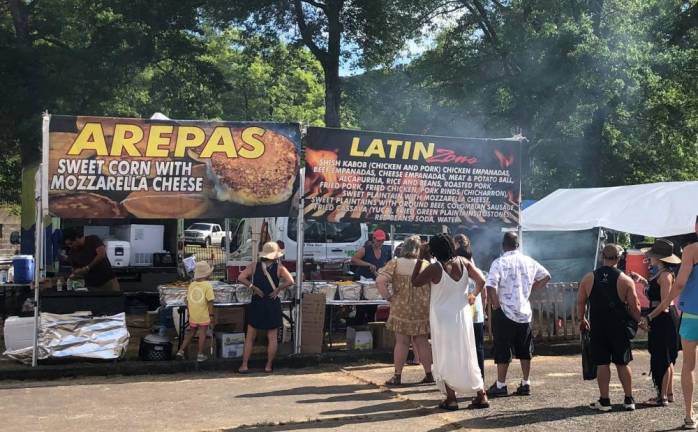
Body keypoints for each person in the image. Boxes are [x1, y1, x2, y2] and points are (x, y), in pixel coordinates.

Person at [412, 234, 489, 410]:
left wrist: (420, 259)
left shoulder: (434, 268)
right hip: (462, 316)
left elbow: (415, 282)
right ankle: (481, 395)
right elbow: (481, 280)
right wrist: (473, 295)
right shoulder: (463, 261)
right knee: (468, 353)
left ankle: (451, 398)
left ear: (434, 251)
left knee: (444, 355)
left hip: (442, 318)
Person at [486, 232, 550, 398]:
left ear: (503, 245)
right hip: (524, 311)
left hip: (505, 311)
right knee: (525, 349)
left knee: (503, 348)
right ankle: (526, 382)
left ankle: (501, 384)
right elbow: (546, 276)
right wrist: (530, 288)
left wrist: (496, 305)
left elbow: (491, 285)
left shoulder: (499, 262)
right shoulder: (529, 261)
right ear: (518, 245)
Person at [578, 244, 641, 412]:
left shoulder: (588, 278)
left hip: (598, 327)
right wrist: (640, 321)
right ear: (619, 258)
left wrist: (582, 319)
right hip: (619, 327)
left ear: (602, 257)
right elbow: (635, 307)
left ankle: (605, 401)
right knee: (622, 362)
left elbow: (581, 301)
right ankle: (629, 399)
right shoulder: (625, 280)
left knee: (602, 363)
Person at [648, 216, 698, 429]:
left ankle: (689, 415)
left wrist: (665, 304)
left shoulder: (691, 250)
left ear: (696, 226)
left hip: (692, 314)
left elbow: (680, 284)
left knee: (688, 366)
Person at [376, 235, 433, 386]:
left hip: (401, 307)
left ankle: (397, 376)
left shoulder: (395, 263)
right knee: (422, 341)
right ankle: (429, 374)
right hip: (422, 308)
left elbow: (380, 281)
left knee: (402, 342)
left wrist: (388, 297)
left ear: (404, 248)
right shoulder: (425, 264)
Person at [634, 239, 681, 406]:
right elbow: (656, 293)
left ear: (659, 258)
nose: (649, 257)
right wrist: (642, 281)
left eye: (652, 255)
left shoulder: (666, 275)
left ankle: (663, 397)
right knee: (664, 355)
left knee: (664, 357)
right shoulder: (660, 273)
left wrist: (649, 317)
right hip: (661, 317)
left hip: (664, 318)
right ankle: (667, 393)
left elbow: (665, 303)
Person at [238, 241, 294, 373]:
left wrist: (253, 287)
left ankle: (244, 365)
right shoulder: (279, 268)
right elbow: (291, 281)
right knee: (272, 336)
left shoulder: (254, 266)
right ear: (276, 255)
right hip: (272, 302)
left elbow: (241, 277)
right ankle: (268, 366)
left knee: (250, 336)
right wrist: (278, 289)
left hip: (257, 301)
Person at [455, 234, 486, 381]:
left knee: (465, 347)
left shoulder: (460, 265)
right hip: (475, 311)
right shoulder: (472, 264)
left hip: (465, 311)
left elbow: (481, 283)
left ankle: (470, 377)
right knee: (477, 346)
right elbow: (482, 285)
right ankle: (479, 377)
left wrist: (473, 295)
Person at [175, 261, 215, 362]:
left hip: (193, 314)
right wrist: (211, 315)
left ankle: (180, 351)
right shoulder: (207, 285)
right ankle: (200, 354)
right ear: (207, 274)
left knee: (190, 333)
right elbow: (210, 301)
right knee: (202, 333)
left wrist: (189, 313)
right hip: (203, 314)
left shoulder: (192, 284)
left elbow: (187, 300)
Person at [351, 229, 392, 323]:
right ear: (373, 239)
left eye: (382, 241)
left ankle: (370, 329)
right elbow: (353, 259)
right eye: (378, 240)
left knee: (372, 308)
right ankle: (359, 327)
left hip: (374, 283)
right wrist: (368, 264)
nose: (380, 242)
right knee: (361, 309)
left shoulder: (385, 251)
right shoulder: (365, 249)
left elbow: (384, 266)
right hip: (362, 280)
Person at [63, 227, 120, 292]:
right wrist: (75, 273)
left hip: (107, 282)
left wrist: (87, 267)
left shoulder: (93, 239)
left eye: (71, 243)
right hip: (91, 286)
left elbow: (101, 254)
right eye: (68, 245)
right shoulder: (72, 252)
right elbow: (75, 269)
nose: (70, 246)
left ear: (77, 238)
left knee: (113, 301)